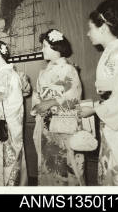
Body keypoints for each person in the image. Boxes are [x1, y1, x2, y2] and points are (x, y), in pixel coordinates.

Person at [78, 0, 118, 186]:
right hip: (112, 121)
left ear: (103, 28)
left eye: (90, 28)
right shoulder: (114, 51)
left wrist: (94, 109)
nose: (87, 33)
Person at [31, 29, 84, 186]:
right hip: (46, 125)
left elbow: (74, 97)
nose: (42, 49)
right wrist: (38, 106)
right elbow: (37, 96)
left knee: (66, 164)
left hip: (63, 124)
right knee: (48, 165)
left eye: (45, 46)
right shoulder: (43, 72)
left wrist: (52, 102)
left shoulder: (69, 69)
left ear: (56, 48)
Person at [0, 40, 28, 186]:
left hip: (3, 123)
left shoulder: (8, 73)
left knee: (5, 166)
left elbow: (13, 103)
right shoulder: (2, 72)